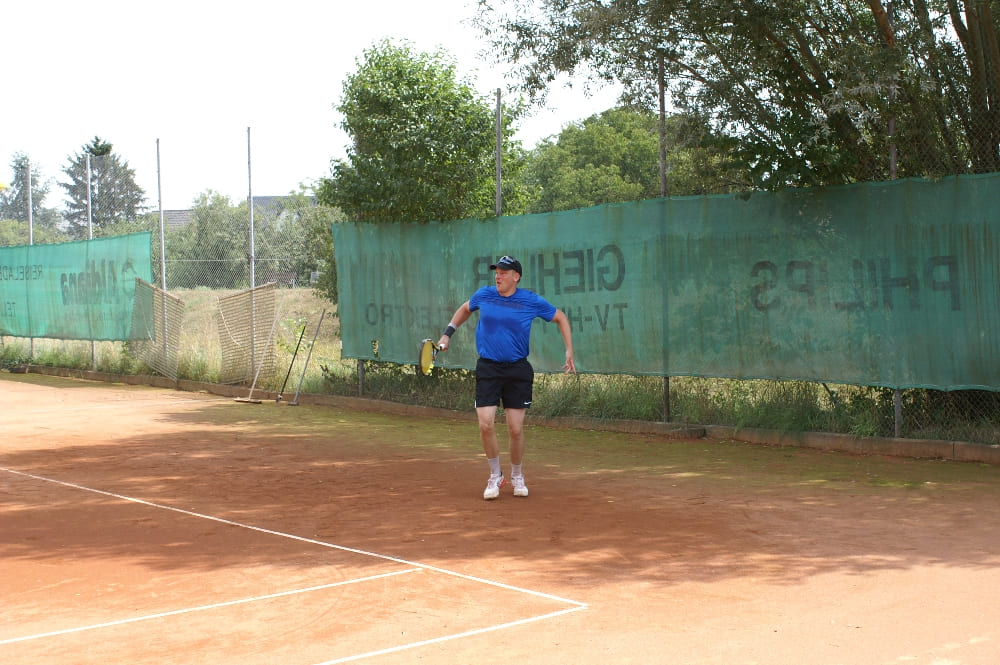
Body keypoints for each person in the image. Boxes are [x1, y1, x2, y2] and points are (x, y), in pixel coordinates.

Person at [437, 255, 577, 500]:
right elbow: (464, 309)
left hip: (517, 371)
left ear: (516, 276)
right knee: (485, 423)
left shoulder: (530, 300)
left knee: (515, 429)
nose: (498, 276)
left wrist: (569, 350)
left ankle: (517, 475)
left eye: (503, 272)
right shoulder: (485, 294)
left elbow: (560, 317)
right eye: (496, 272)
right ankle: (495, 475)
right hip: (488, 369)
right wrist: (448, 334)